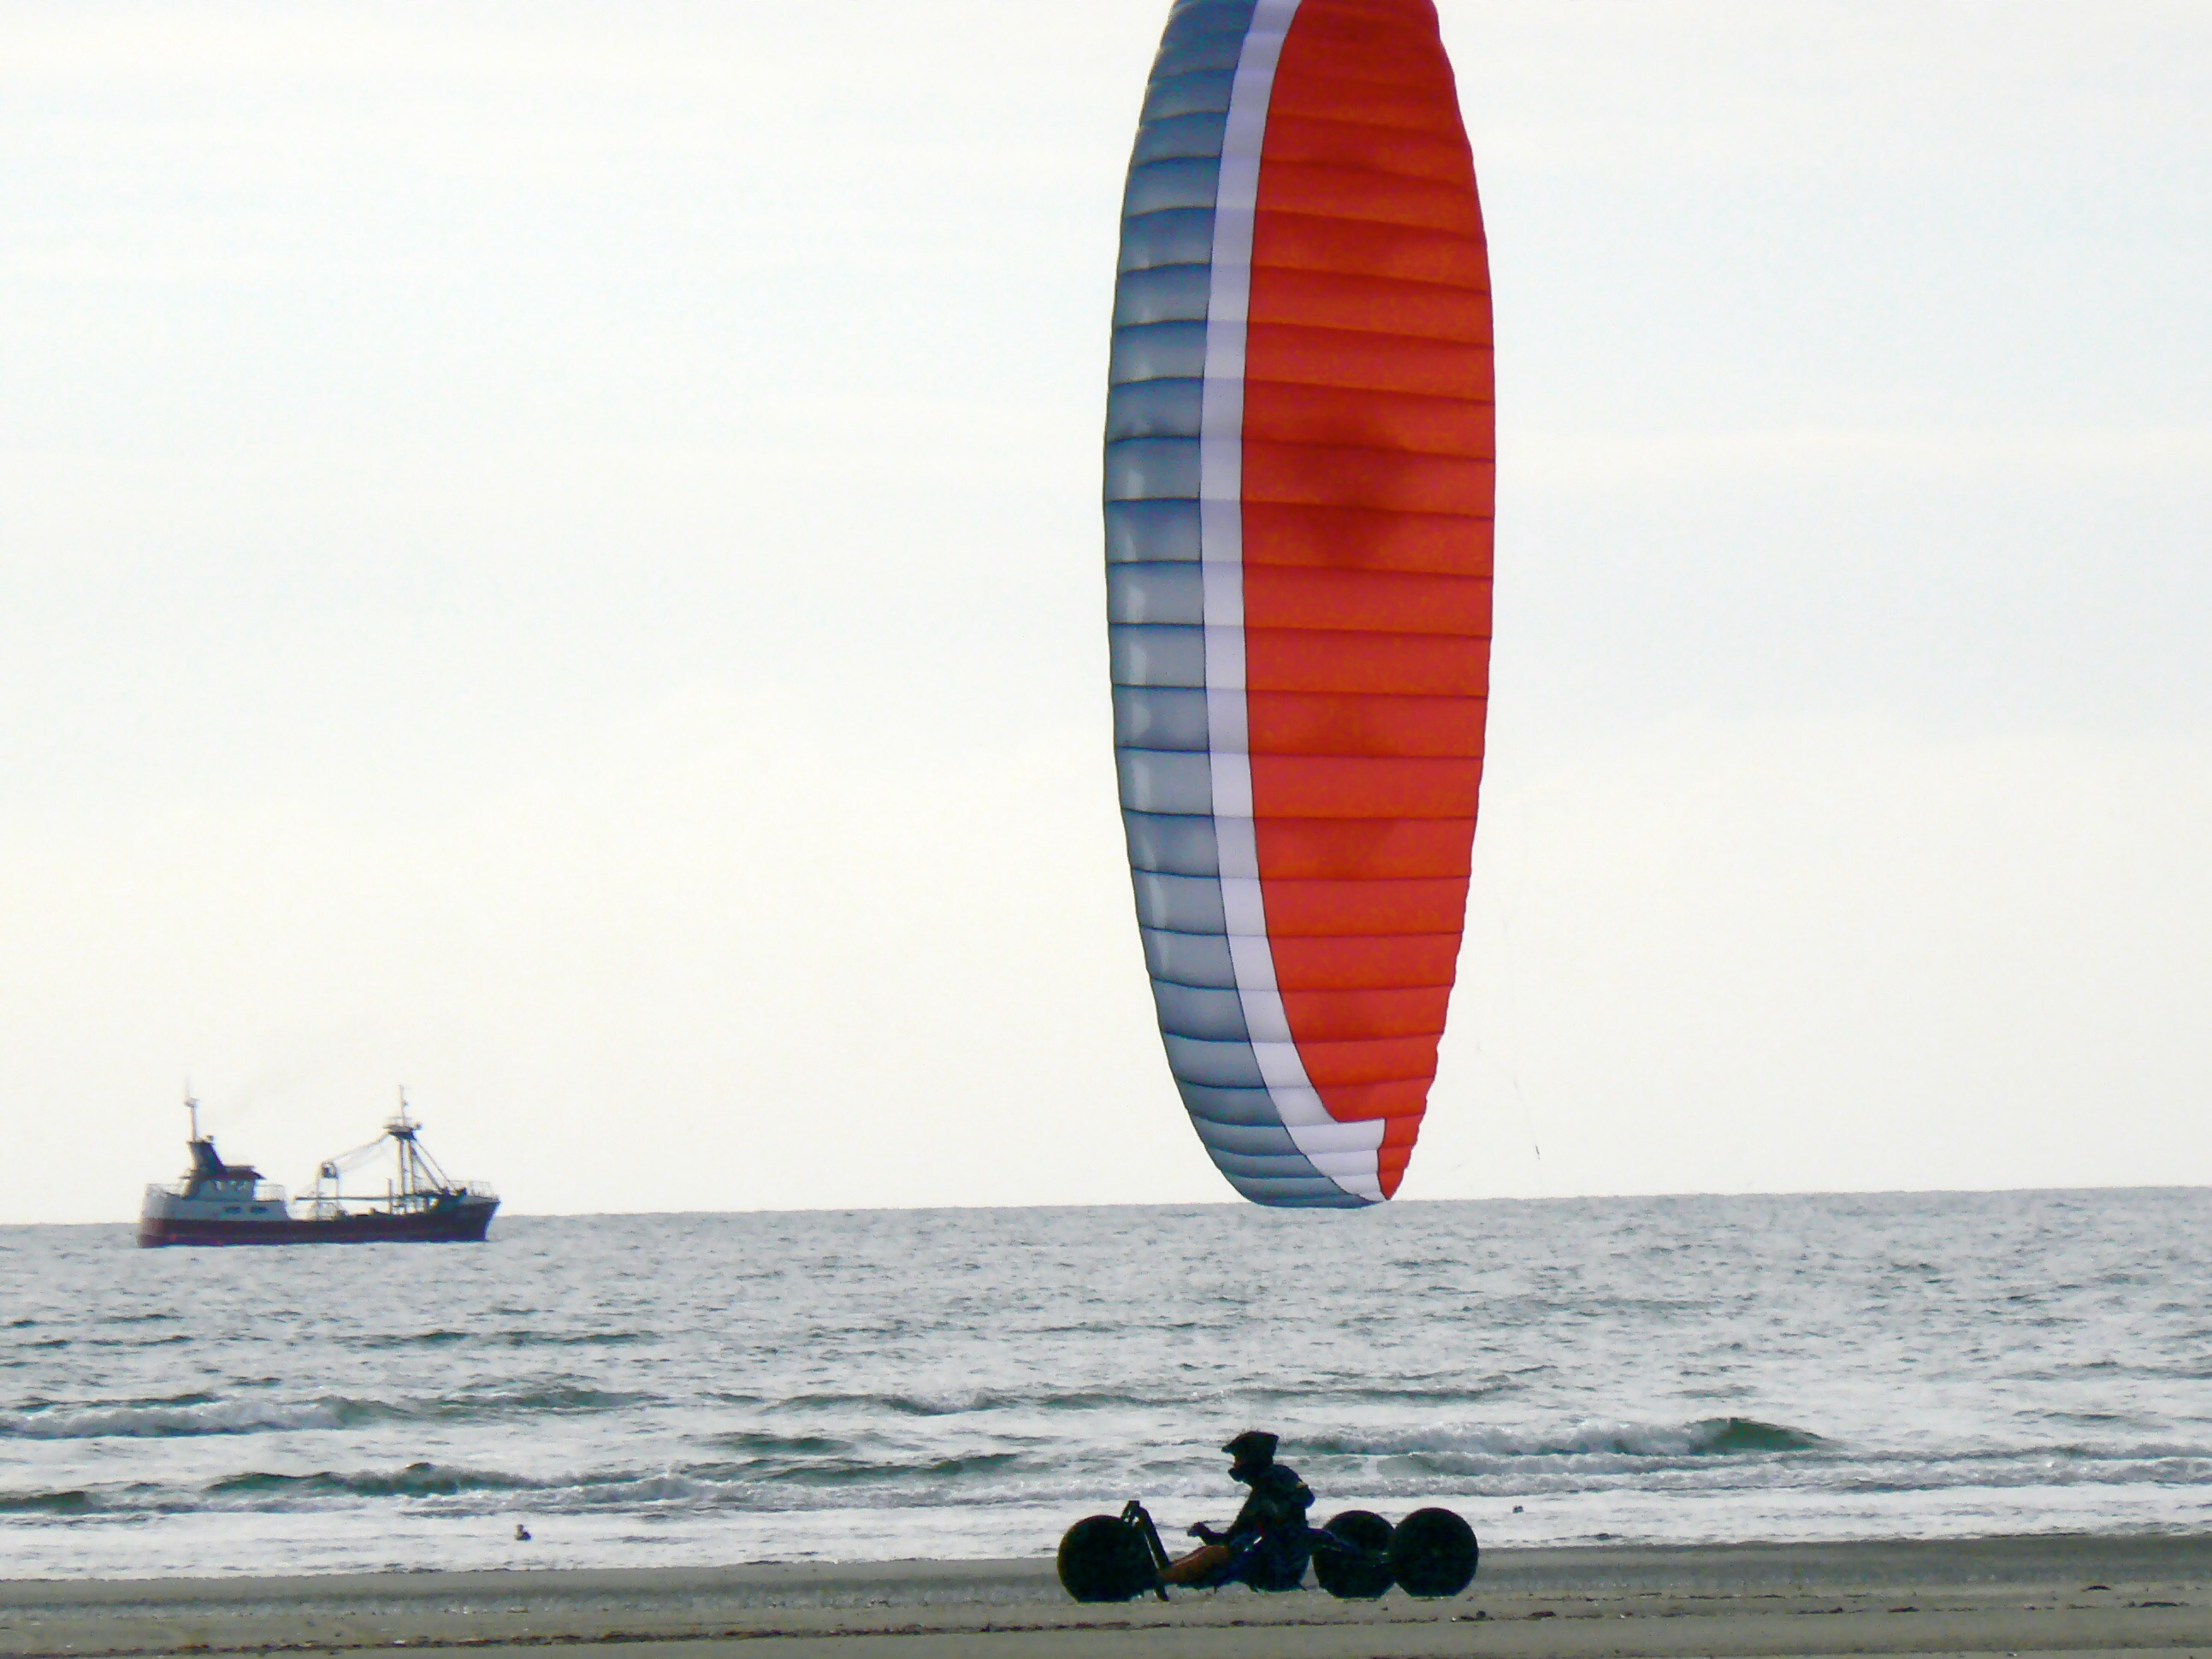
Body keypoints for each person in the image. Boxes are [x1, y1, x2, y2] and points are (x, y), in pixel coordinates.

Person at [1157, 1431, 1315, 1590]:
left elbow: (1306, 1497)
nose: (1235, 1465)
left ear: (1252, 1460)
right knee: (1208, 1552)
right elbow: (1230, 1540)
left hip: (1282, 1567)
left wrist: (1278, 1507)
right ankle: (1160, 1575)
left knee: (1213, 1554)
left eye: (1238, 1459)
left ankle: (1152, 1580)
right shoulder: (1257, 1499)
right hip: (1268, 1562)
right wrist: (1205, 1533)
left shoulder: (1279, 1476)